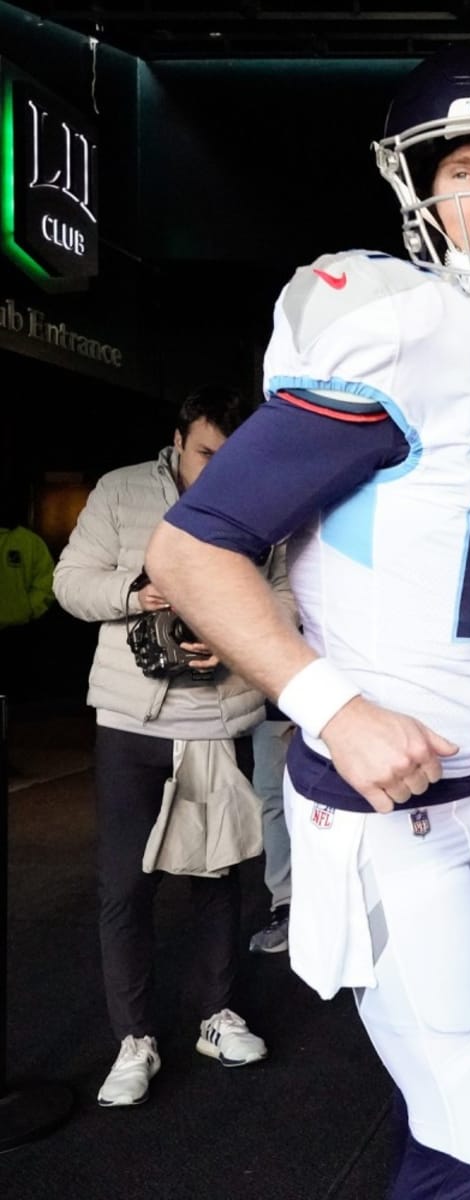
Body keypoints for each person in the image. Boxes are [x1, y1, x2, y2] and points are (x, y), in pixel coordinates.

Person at [144, 38, 470, 1200]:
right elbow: (191, 547)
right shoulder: (396, 334)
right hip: (385, 801)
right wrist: (332, 706)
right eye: (464, 171)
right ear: (420, 193)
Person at [52, 384, 289, 1108]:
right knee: (125, 886)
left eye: (231, 456)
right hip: (132, 720)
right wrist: (137, 591)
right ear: (178, 438)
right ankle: (135, 1038)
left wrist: (237, 642)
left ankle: (216, 1016)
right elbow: (70, 582)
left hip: (217, 719)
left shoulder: (267, 495)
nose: (217, 470)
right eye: (204, 454)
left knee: (218, 878)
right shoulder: (123, 491)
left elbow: (284, 598)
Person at [247, 703, 295, 954]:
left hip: (345, 706)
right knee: (273, 802)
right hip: (274, 703)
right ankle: (285, 908)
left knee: (338, 806)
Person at [0, 518, 56, 705]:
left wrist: (28, 610)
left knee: (18, 694)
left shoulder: (29, 542)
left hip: (19, 631)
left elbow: (46, 582)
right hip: (20, 625)